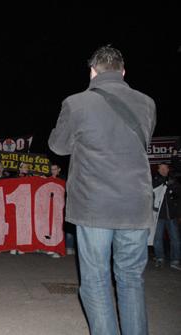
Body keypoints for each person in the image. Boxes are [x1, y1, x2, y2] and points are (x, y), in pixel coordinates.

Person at [48, 45, 156, 335]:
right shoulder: (147, 103)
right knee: (131, 279)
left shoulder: (76, 103)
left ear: (92, 71)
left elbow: (58, 146)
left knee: (96, 280)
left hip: (94, 205)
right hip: (135, 204)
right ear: (123, 72)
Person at [152, 162, 180, 270]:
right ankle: (160, 258)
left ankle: (175, 260)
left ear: (168, 170)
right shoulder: (154, 181)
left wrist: (173, 185)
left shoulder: (174, 181)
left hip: (171, 216)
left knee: (175, 239)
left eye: (165, 168)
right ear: (158, 170)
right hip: (158, 216)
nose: (163, 170)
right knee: (157, 238)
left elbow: (178, 196)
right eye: (161, 169)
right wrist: (162, 183)